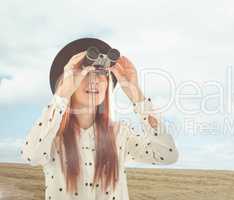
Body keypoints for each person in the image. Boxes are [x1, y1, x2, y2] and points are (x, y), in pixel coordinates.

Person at [19, 38, 179, 200]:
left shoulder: (120, 134)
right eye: (85, 73)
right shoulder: (51, 135)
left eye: (101, 73)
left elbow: (167, 154)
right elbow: (31, 155)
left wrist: (135, 93)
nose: (94, 80)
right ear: (66, 82)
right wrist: (62, 94)